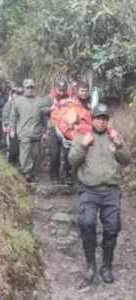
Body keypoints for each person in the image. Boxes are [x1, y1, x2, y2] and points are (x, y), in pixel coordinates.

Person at [69, 103, 130, 284]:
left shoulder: (114, 137)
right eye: (98, 118)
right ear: (92, 119)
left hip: (111, 191)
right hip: (89, 190)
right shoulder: (82, 136)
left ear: (107, 120)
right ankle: (90, 266)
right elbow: (72, 160)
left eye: (104, 119)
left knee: (112, 228)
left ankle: (107, 266)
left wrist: (119, 144)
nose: (101, 122)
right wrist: (84, 145)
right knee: (87, 224)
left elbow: (126, 160)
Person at [9, 79, 47, 182]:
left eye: (31, 87)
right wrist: (12, 128)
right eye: (28, 88)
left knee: (35, 153)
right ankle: (26, 172)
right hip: (23, 132)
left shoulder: (40, 101)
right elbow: (13, 116)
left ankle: (33, 173)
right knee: (25, 152)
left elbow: (44, 117)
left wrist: (45, 132)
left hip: (37, 132)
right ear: (24, 88)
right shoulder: (18, 101)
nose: (30, 90)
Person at [43, 81, 72, 185]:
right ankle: (53, 176)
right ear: (56, 89)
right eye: (60, 90)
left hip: (67, 129)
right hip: (53, 128)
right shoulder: (49, 98)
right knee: (54, 154)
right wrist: (50, 109)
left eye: (64, 90)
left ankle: (67, 176)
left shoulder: (70, 98)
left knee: (68, 155)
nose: (61, 92)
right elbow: (40, 110)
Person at [2, 87, 23, 166]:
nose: (17, 95)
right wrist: (7, 126)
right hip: (11, 128)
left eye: (19, 94)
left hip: (21, 128)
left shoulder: (22, 103)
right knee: (11, 147)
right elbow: (5, 116)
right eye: (15, 93)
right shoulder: (9, 104)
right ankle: (10, 163)